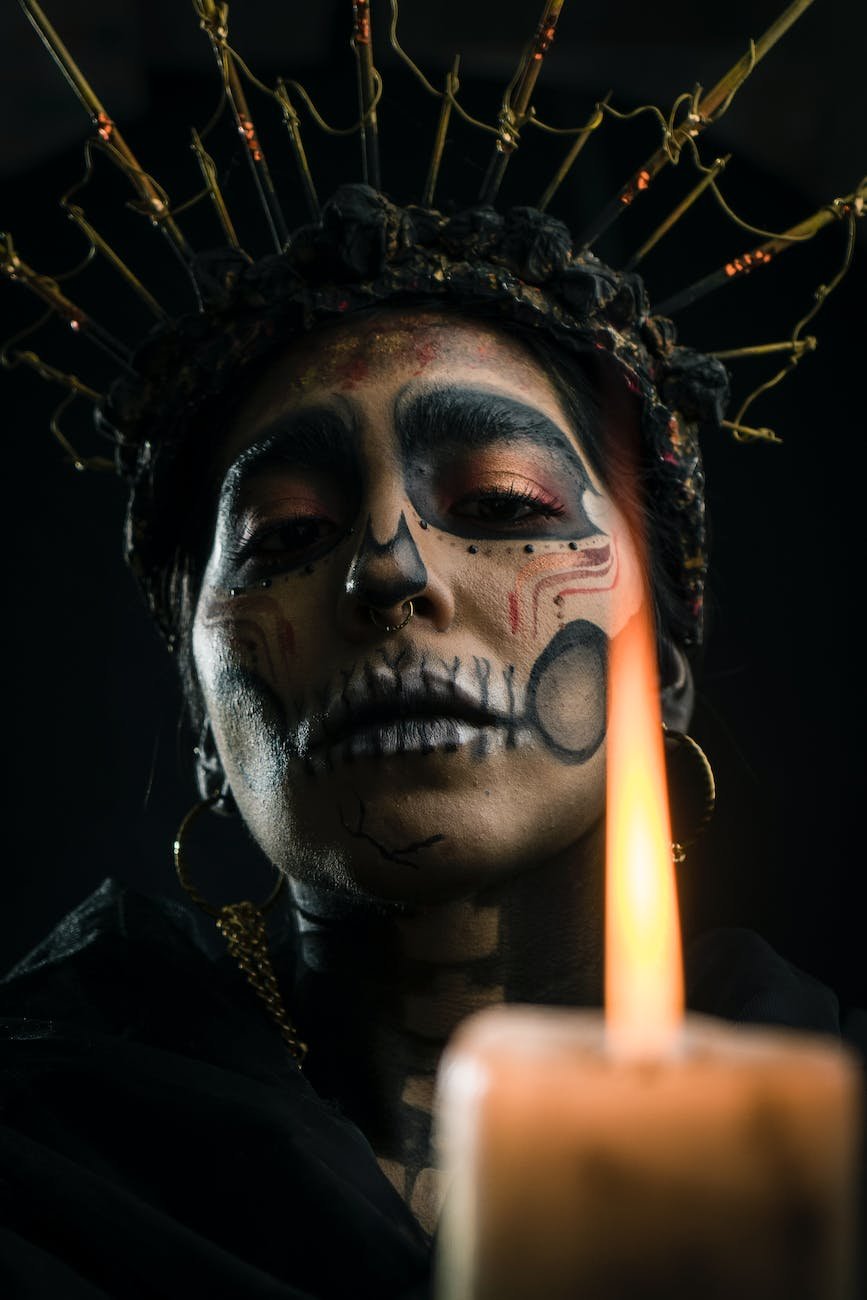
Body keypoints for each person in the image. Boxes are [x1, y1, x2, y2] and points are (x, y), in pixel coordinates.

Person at [1, 5, 864, 1299]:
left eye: (506, 506)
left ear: (665, 665)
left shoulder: (836, 1140)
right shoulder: (41, 1152)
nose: (389, 569)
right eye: (285, 533)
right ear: (198, 711)